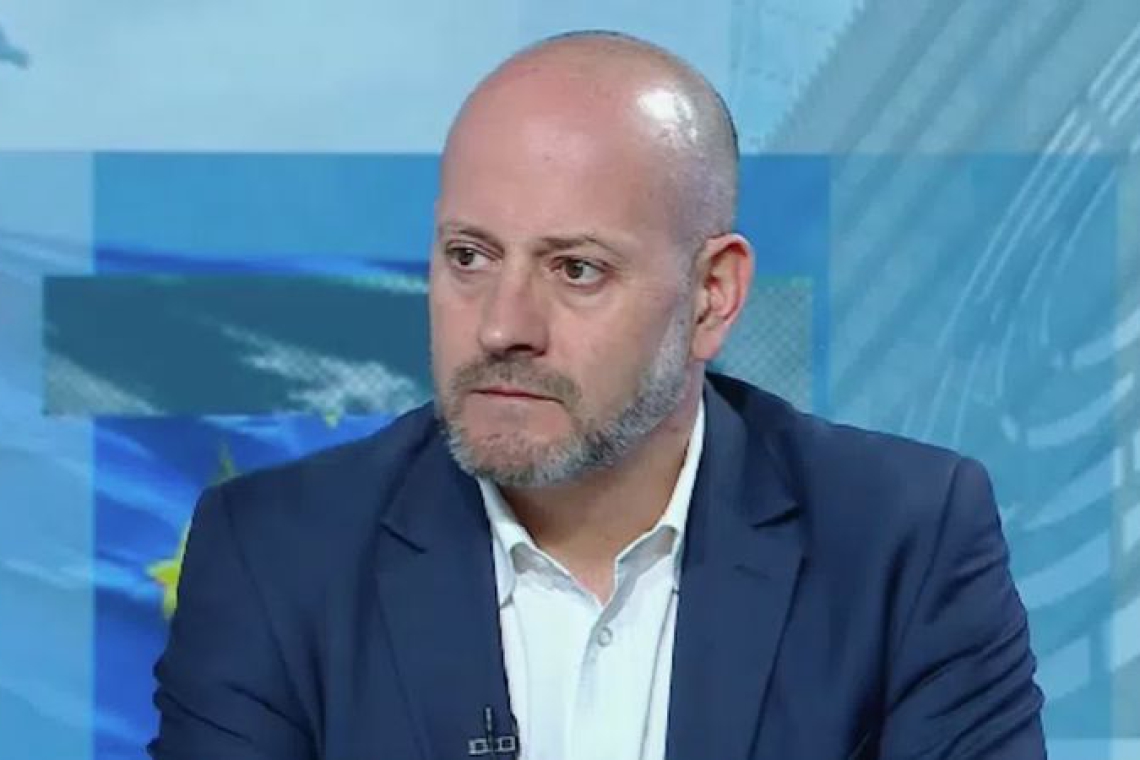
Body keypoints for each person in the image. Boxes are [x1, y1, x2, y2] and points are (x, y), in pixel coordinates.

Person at [149, 31, 1045, 760]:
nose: (502, 327)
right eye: (469, 257)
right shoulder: (276, 557)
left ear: (712, 296)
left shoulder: (901, 540)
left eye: (576, 269)